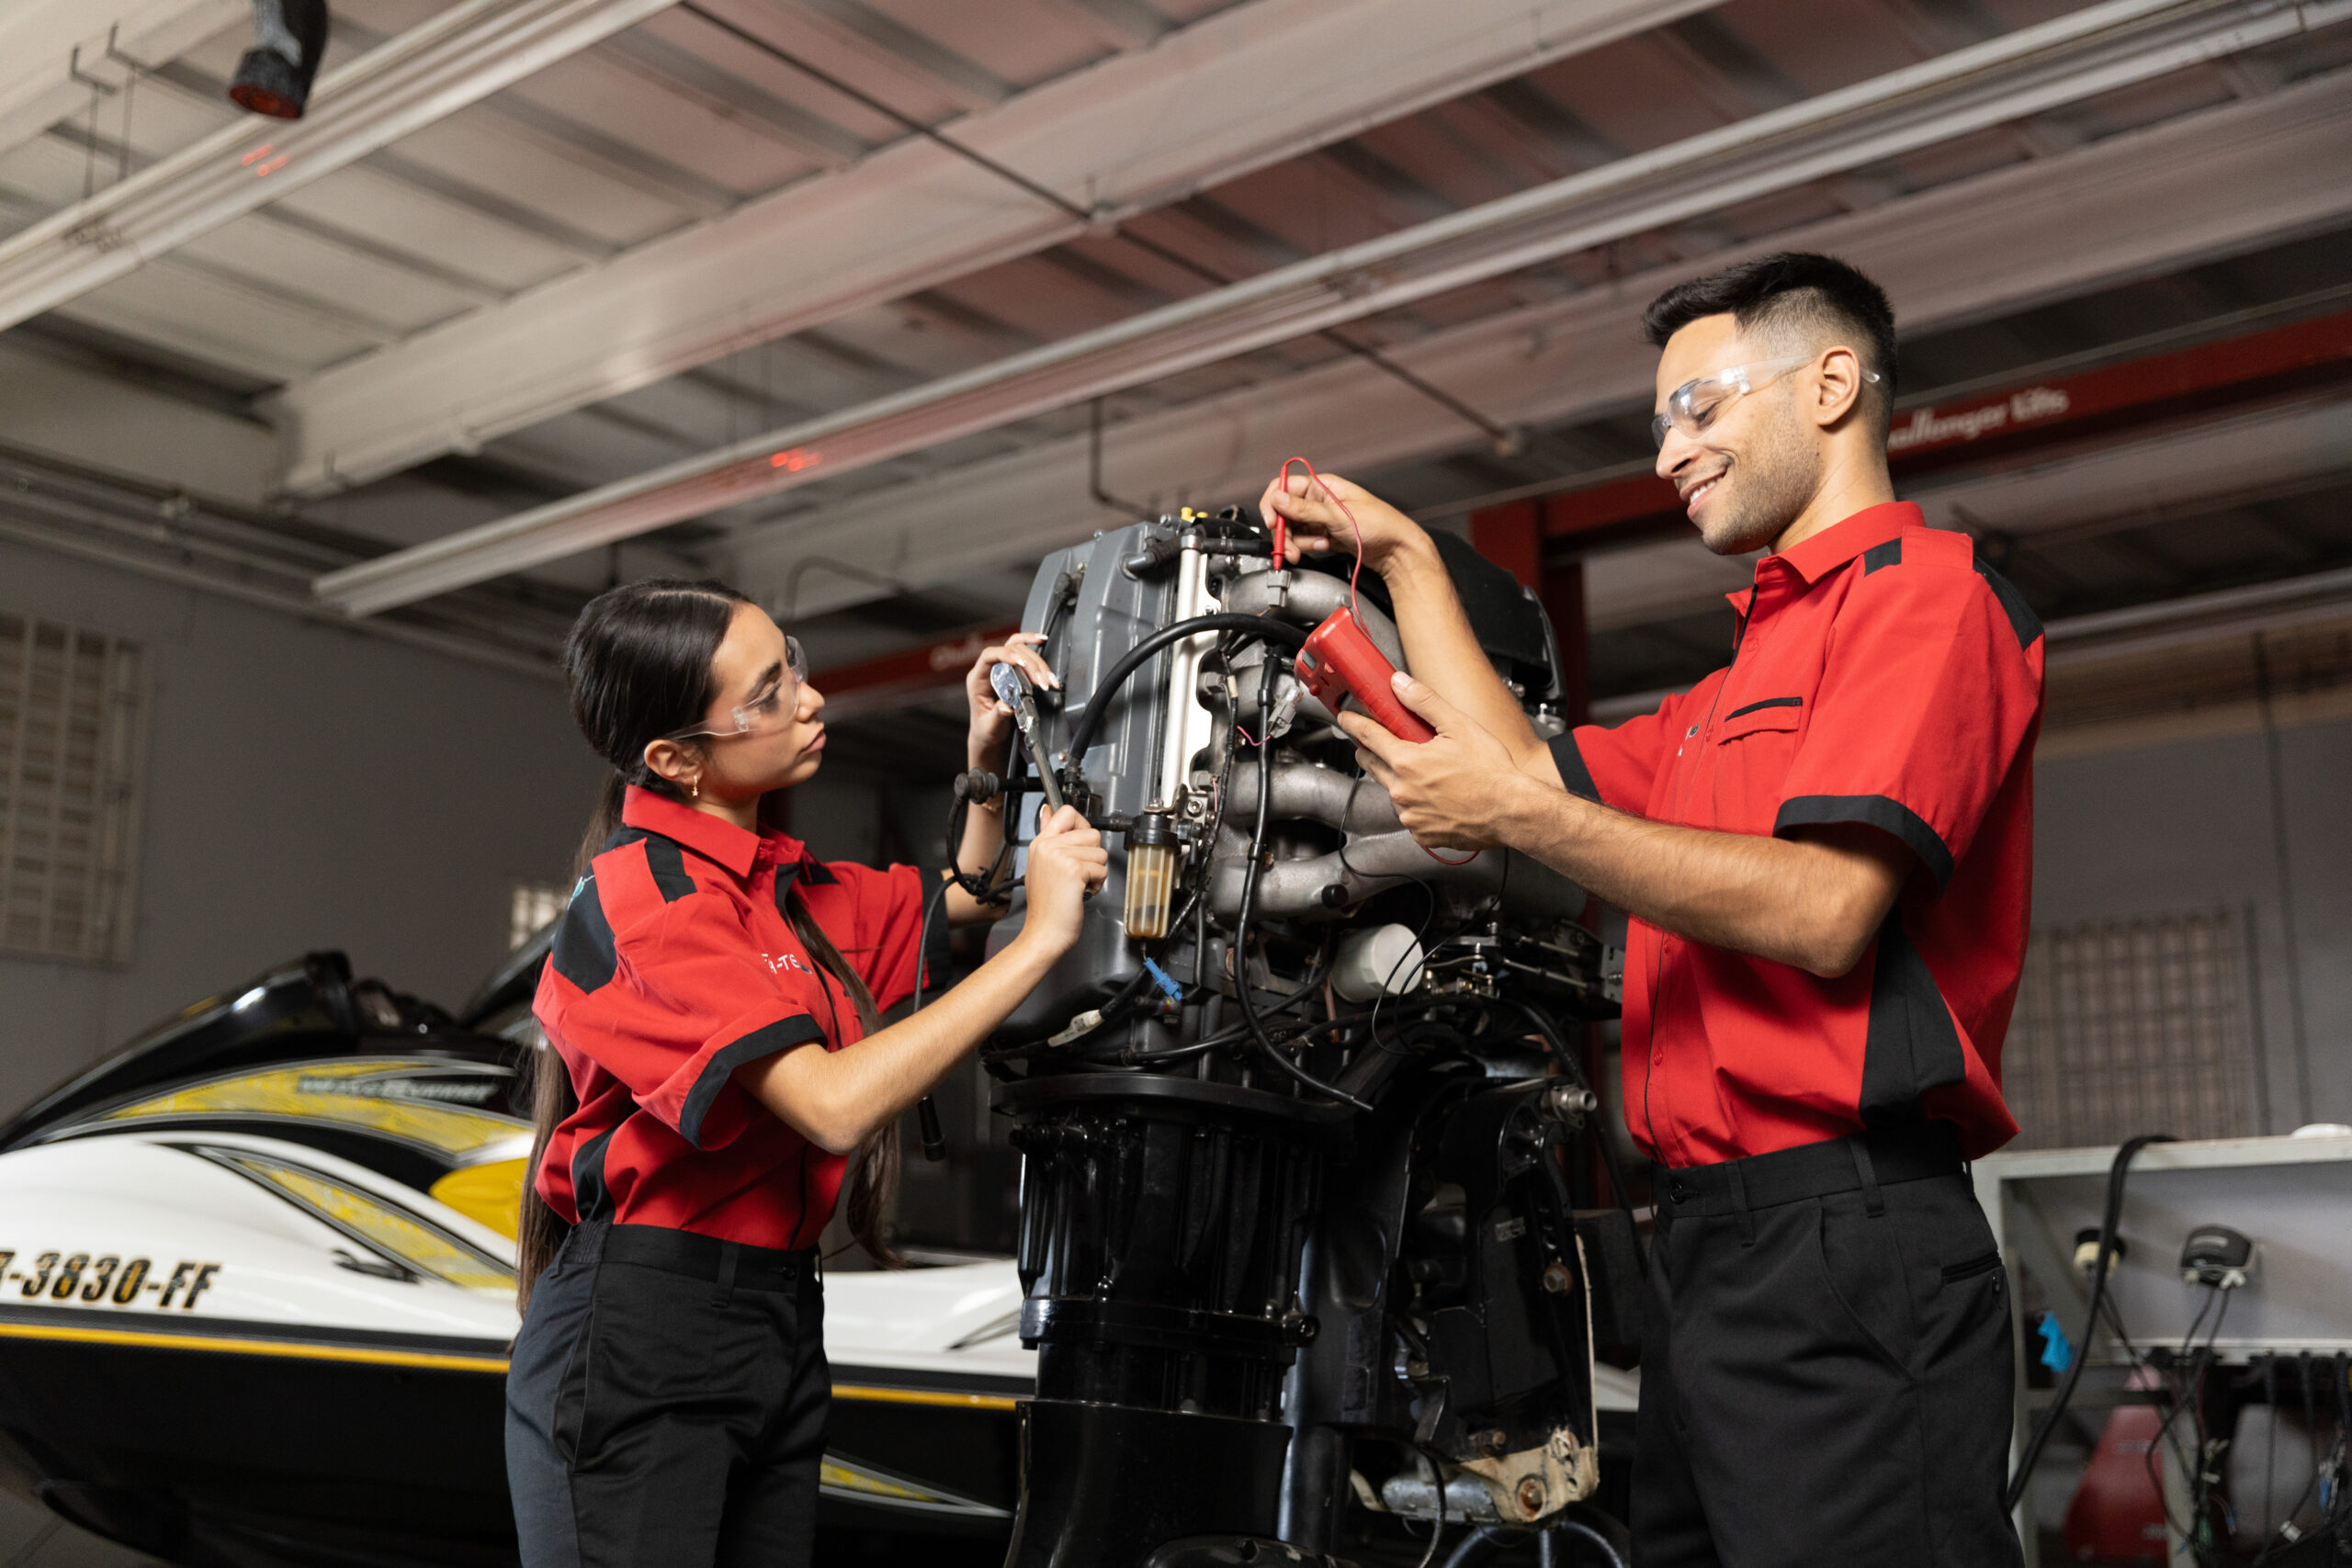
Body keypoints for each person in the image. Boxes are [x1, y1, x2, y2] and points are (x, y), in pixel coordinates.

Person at [1261, 253, 2040, 1567]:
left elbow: (1827, 910)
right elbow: (1521, 773)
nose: (1668, 452)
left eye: (1699, 407)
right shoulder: (1727, 692)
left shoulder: (1924, 599)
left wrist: (1520, 817)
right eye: (1660, 422)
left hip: (1845, 1237)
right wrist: (1404, 560)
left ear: (1831, 385)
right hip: (1709, 1245)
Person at [504, 578, 1106, 1568]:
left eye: (791, 666)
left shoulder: (782, 886)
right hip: (645, 1329)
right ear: (675, 760)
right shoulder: (652, 901)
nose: (810, 698)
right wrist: (1042, 943)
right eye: (768, 693)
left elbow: (967, 898)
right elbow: (830, 1106)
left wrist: (986, 757)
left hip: (776, 1315)